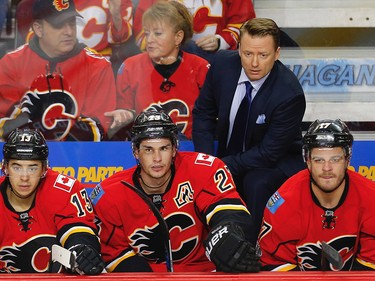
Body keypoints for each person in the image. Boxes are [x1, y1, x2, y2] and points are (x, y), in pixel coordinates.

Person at [89, 111, 261, 272]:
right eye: (148, 150)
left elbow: (230, 212)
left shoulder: (204, 169)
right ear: (135, 151)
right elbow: (114, 253)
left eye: (164, 148)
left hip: (205, 273)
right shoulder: (110, 193)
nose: (157, 158)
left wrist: (226, 235)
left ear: (174, 149)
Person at [192, 17, 306, 242]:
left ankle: (250, 249)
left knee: (255, 182)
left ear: (277, 54)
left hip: (276, 162)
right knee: (197, 177)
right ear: (238, 49)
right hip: (232, 156)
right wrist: (206, 161)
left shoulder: (289, 93)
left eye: (263, 55)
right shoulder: (222, 64)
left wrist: (222, 167)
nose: (254, 63)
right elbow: (203, 114)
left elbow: (268, 153)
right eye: (247, 54)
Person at [259, 119, 375, 271]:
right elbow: (272, 265)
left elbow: (371, 265)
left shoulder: (370, 197)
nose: (327, 168)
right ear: (307, 161)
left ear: (347, 160)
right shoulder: (284, 202)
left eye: (335, 159)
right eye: (319, 160)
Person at [0, 0, 117, 141]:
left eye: (72, 23)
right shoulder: (10, 64)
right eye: (59, 25)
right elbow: (4, 123)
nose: (69, 32)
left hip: (77, 158)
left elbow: (98, 129)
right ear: (38, 29)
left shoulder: (98, 66)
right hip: (23, 155)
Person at [0, 128, 105, 273]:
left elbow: (78, 230)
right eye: (17, 167)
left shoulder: (65, 189)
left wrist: (80, 249)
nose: (24, 177)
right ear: (5, 167)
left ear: (44, 168)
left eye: (32, 168)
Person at [108, 1, 210, 140]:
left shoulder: (200, 68)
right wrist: (124, 116)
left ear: (178, 37)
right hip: (145, 151)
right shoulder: (129, 68)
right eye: (147, 33)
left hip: (190, 151)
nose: (149, 40)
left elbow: (210, 122)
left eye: (158, 33)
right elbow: (124, 119)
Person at [133, 0, 256, 63]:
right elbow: (142, 31)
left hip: (216, 59)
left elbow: (245, 23)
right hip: (165, 62)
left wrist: (222, 40)